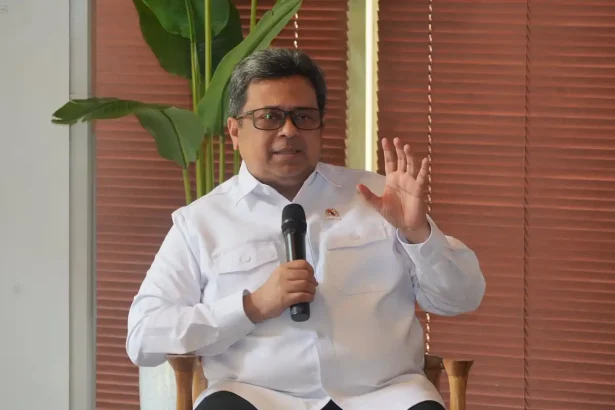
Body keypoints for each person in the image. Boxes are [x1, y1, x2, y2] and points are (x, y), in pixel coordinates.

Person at [126, 48, 486, 410]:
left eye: (303, 116)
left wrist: (418, 234)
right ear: (235, 131)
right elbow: (143, 336)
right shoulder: (200, 222)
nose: (289, 130)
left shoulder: (378, 197)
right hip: (254, 398)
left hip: (383, 396)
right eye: (270, 117)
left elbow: (461, 298)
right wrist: (251, 306)